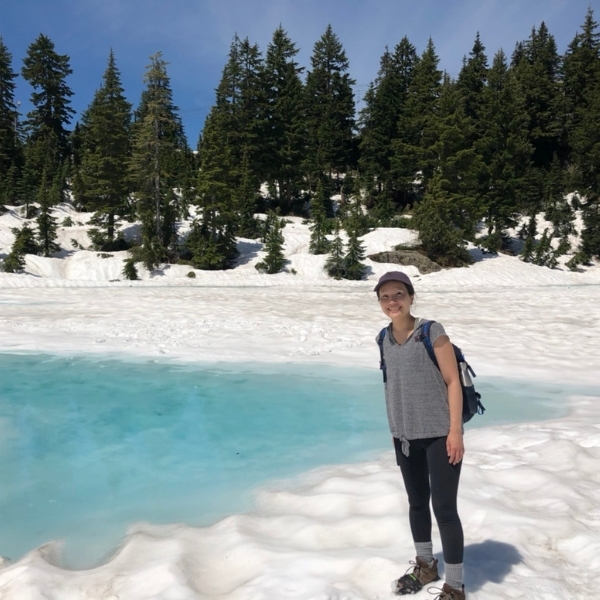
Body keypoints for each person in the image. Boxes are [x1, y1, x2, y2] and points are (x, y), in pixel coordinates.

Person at [374, 271, 466, 600]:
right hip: (405, 437)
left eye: (398, 294)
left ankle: (455, 586)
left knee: (444, 509)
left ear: (411, 297)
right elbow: (392, 387)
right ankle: (426, 565)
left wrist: (455, 431)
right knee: (416, 503)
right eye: (385, 297)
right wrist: (394, 430)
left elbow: (452, 381)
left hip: (440, 434)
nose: (392, 301)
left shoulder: (431, 331)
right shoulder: (383, 338)